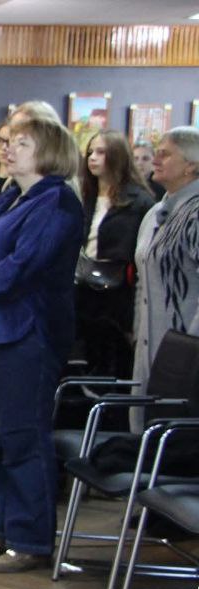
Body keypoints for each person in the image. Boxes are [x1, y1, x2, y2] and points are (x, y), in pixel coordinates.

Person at [0, 116, 84, 573]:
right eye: (8, 143)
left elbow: (22, 265)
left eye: (22, 144)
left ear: (48, 152)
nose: (8, 149)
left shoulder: (56, 201)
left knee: (23, 434)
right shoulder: (12, 196)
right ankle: (4, 527)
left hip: (30, 332)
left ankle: (32, 539)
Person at [132, 127, 199, 425]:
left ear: (191, 165)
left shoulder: (196, 213)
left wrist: (188, 350)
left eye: (165, 154)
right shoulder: (155, 213)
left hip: (184, 349)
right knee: (142, 427)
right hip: (148, 342)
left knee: (171, 431)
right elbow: (142, 280)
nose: (156, 159)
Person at [74, 130, 154, 379]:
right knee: (87, 354)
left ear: (117, 155)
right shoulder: (83, 195)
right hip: (82, 289)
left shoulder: (139, 201)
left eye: (100, 152)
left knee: (116, 358)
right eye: (90, 152)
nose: (92, 158)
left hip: (118, 294)